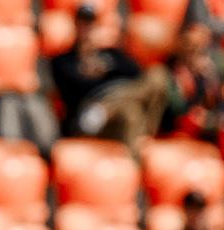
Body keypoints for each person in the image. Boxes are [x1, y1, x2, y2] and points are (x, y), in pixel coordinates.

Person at [49, 7, 167, 144]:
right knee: (130, 112)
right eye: (83, 24)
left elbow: (135, 74)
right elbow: (71, 91)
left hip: (113, 103)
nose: (87, 30)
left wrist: (107, 66)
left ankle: (106, 110)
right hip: (92, 108)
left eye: (91, 25)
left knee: (158, 74)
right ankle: (139, 141)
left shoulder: (112, 53)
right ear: (75, 26)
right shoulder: (64, 60)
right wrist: (88, 67)